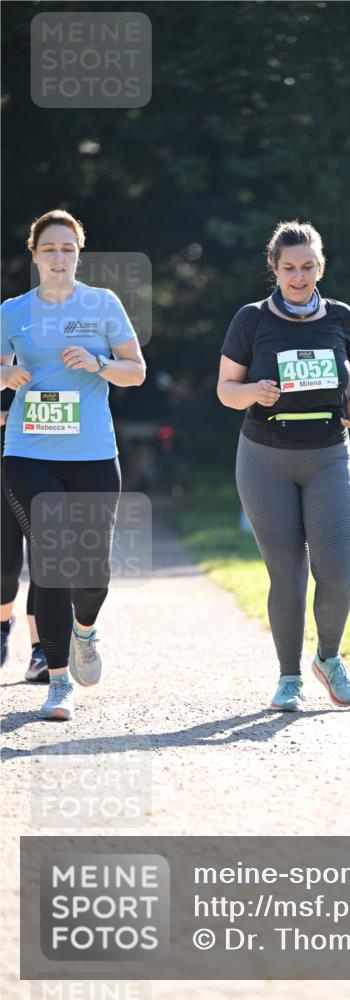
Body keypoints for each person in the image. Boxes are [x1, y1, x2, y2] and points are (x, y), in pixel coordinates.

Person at [217, 220, 350, 711]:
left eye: (307, 266)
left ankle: (328, 659)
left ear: (319, 266)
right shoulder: (251, 320)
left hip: (329, 455)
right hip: (265, 459)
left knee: (338, 572)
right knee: (286, 573)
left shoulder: (342, 318)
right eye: (289, 268)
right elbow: (225, 389)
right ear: (275, 269)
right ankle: (288, 679)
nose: (299, 276)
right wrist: (252, 393)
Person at [0, 209, 146, 720]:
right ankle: (57, 679)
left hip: (92, 455)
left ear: (79, 254)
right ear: (34, 254)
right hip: (27, 452)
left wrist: (100, 363)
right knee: (53, 559)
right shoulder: (12, 312)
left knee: (92, 573)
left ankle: (85, 629)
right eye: (50, 249)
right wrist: (6, 374)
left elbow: (137, 371)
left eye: (68, 249)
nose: (59, 257)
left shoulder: (102, 304)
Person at [1, 396, 48, 680]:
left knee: (43, 557)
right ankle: (3, 623)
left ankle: (42, 647)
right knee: (5, 565)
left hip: (40, 457)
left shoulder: (47, 350)